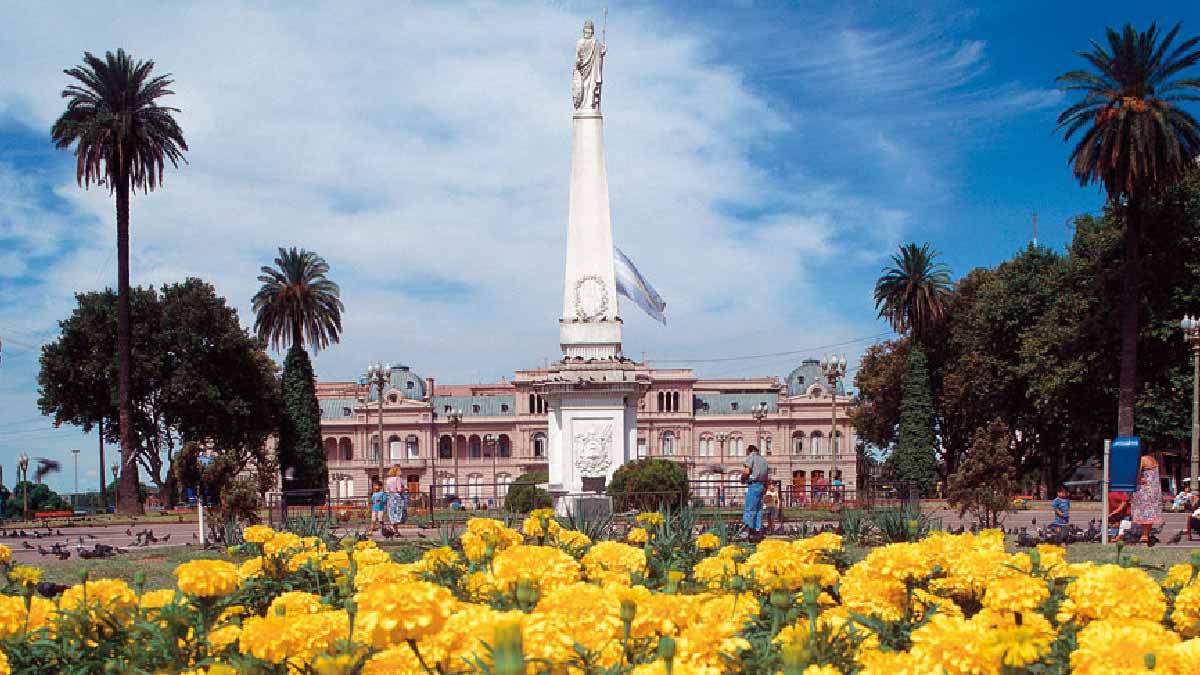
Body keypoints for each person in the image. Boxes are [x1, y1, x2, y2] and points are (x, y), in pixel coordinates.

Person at [1131, 453, 1163, 544]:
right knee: (1150, 512)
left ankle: (1144, 534)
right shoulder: (1154, 460)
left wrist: (1137, 480)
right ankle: (1146, 534)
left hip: (1145, 489)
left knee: (1143, 511)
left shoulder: (1142, 459)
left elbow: (1137, 473)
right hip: (1155, 489)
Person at [740, 444, 769, 541]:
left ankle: (748, 530)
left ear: (750, 451)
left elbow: (747, 471)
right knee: (758, 510)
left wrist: (742, 478)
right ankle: (758, 530)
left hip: (753, 485)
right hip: (761, 486)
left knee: (750, 508)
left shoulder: (751, 458)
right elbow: (766, 476)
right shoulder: (764, 460)